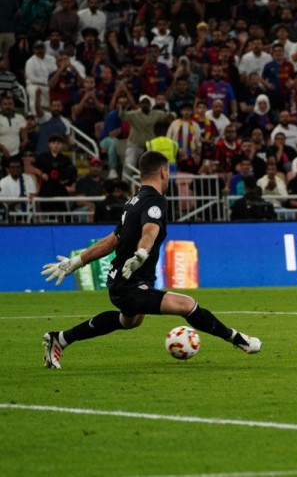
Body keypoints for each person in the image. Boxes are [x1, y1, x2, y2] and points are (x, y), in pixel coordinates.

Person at [40, 151, 262, 369]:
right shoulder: (156, 200)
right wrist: (143, 252)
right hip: (130, 283)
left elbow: (112, 240)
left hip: (124, 280)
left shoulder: (133, 201)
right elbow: (150, 230)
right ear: (164, 172)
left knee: (129, 321)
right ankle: (238, 339)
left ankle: (61, 338)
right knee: (187, 305)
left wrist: (76, 262)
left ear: (140, 174)